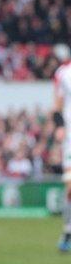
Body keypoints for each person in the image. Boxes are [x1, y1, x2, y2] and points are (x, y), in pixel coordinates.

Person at [52, 44, 71, 252]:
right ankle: (68, 232)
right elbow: (57, 104)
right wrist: (59, 126)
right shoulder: (63, 73)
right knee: (70, 187)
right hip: (70, 137)